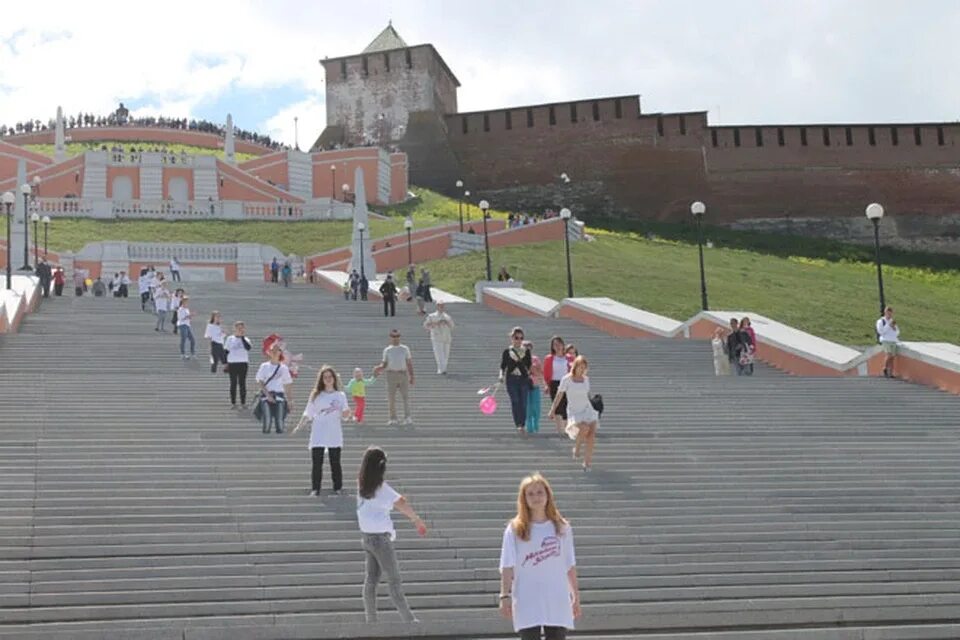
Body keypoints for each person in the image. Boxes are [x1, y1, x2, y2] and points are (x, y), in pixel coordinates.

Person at [499, 473, 580, 640]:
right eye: (530, 494)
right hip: (527, 597)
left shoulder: (561, 527)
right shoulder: (515, 529)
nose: (536, 497)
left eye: (540, 492)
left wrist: (576, 596)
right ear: (524, 499)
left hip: (556, 597)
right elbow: (507, 565)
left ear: (548, 495)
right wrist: (504, 596)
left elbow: (569, 564)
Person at [355, 446, 427, 623]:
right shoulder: (381, 488)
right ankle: (408, 619)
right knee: (394, 578)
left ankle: (371, 619)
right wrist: (416, 520)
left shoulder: (361, 484)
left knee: (371, 579)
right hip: (380, 539)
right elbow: (401, 503)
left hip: (366, 537)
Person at [293, 364, 348, 495]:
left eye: (330, 377)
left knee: (335, 462)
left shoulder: (340, 395)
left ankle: (338, 487)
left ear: (334, 378)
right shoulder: (316, 395)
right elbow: (308, 412)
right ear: (321, 379)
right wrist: (299, 426)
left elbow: (345, 414)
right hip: (319, 431)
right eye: (325, 377)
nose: (328, 379)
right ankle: (315, 488)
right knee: (317, 462)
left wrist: (347, 413)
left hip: (334, 432)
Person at [549, 356, 599, 471]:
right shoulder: (566, 379)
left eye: (584, 368)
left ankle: (587, 463)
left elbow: (587, 395)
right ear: (575, 366)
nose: (582, 370)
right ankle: (576, 448)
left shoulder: (586, 379)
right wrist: (552, 409)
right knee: (584, 429)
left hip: (587, 409)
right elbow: (559, 395)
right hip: (574, 411)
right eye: (580, 367)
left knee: (591, 435)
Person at [373, 329, 414, 425]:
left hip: (403, 373)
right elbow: (384, 363)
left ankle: (407, 417)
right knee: (391, 397)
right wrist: (378, 368)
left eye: (397, 336)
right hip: (391, 374)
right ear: (390, 338)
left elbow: (409, 363)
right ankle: (393, 418)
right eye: (393, 337)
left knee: (405, 397)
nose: (396, 339)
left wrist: (412, 376)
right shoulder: (387, 350)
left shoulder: (405, 349)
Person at [255, 341, 294, 434]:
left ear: (280, 352)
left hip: (279, 395)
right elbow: (260, 381)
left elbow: (288, 384)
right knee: (267, 419)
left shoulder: (283, 368)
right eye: (273, 350)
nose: (275, 352)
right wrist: (267, 395)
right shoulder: (264, 366)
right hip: (266, 395)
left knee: (279, 421)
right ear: (269, 352)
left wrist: (290, 400)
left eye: (277, 350)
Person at [500, 327, 532, 434]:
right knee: (515, 401)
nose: (519, 340)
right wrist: (501, 376)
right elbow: (503, 366)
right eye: (516, 338)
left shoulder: (526, 351)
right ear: (512, 338)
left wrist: (520, 362)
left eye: (521, 338)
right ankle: (518, 424)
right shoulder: (507, 352)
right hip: (511, 379)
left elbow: (528, 366)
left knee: (523, 402)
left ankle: (522, 424)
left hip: (523, 379)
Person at [544, 336, 575, 438]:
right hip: (554, 383)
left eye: (559, 344)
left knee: (566, 406)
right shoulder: (549, 358)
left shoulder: (569, 358)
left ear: (563, 345)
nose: (557, 347)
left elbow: (574, 371)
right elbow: (546, 373)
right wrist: (547, 385)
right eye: (555, 345)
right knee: (557, 407)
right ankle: (560, 431)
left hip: (567, 383)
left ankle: (567, 429)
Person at [224, 321, 252, 409]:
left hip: (243, 363)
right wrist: (225, 363)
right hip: (232, 363)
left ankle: (243, 402)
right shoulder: (230, 339)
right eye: (238, 328)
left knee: (242, 383)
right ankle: (233, 402)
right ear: (234, 328)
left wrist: (242, 337)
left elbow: (248, 348)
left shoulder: (246, 339)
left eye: (242, 328)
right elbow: (226, 351)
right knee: (233, 383)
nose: (240, 330)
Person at [423, 302, 454, 375]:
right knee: (439, 353)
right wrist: (437, 323)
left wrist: (446, 322)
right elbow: (426, 325)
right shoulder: (432, 316)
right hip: (437, 337)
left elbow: (452, 326)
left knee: (446, 354)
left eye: (443, 306)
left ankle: (444, 368)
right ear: (437, 307)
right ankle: (441, 369)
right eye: (440, 306)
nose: (442, 308)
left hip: (446, 337)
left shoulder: (447, 316)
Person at [876, 306, 900, 378]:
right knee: (888, 355)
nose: (889, 315)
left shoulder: (892, 321)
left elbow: (898, 332)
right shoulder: (881, 321)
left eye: (890, 314)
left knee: (892, 357)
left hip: (893, 340)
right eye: (888, 313)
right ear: (885, 313)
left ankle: (891, 373)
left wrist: (893, 328)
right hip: (885, 340)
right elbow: (881, 332)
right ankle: (885, 368)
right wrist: (888, 326)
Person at [525, 341, 543, 434]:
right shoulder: (518, 359)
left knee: (536, 406)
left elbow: (540, 373)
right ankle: (529, 426)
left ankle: (536, 421)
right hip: (524, 387)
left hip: (535, 385)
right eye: (525, 347)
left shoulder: (535, 359)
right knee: (527, 407)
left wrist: (531, 367)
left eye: (529, 347)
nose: (527, 349)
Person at [177, 295, 196, 359]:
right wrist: (189, 316)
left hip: (187, 325)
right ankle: (182, 354)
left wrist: (190, 316)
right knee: (183, 340)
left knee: (192, 340)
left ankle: (192, 353)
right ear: (183, 302)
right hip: (182, 325)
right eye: (186, 301)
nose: (187, 303)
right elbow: (180, 318)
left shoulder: (187, 309)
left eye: (187, 301)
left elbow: (188, 318)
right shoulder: (180, 309)